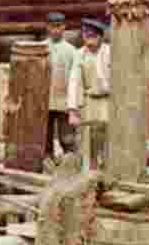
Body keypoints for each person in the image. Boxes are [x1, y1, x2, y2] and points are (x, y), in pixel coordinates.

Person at [67, 17, 111, 170]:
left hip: (108, 101)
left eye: (93, 35)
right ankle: (91, 171)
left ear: (100, 37)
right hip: (89, 102)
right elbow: (74, 81)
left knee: (108, 136)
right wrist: (73, 109)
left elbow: (120, 78)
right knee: (88, 138)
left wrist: (107, 90)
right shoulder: (79, 54)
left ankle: (108, 169)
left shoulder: (109, 52)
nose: (89, 39)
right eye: (86, 35)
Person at [44, 12, 77, 161]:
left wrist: (74, 102)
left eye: (58, 26)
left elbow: (75, 77)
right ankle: (47, 163)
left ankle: (70, 164)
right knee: (45, 136)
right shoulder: (42, 48)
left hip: (65, 101)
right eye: (52, 27)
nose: (55, 30)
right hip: (45, 101)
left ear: (64, 27)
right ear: (47, 28)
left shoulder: (71, 51)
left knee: (67, 137)